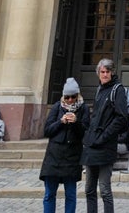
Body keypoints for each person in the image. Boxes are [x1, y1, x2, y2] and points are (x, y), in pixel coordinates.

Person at [81, 58, 129, 213]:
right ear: (98, 73)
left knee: (105, 190)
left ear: (112, 72)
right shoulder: (99, 89)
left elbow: (121, 118)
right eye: (102, 72)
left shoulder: (118, 90)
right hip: (92, 146)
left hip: (105, 146)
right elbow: (95, 117)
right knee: (89, 189)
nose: (105, 75)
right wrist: (88, 137)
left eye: (107, 71)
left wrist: (103, 137)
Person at [40, 77, 90, 213]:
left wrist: (76, 122)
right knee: (49, 194)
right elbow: (47, 130)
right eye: (67, 97)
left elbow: (85, 133)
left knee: (71, 195)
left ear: (77, 95)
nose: (70, 100)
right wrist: (61, 122)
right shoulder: (57, 106)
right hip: (54, 156)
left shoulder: (84, 108)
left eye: (73, 97)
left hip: (72, 157)